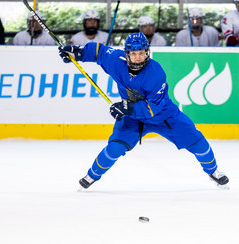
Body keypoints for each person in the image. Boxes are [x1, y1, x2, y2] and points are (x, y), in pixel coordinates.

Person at [57, 32, 229, 189]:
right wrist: (77, 52)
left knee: (199, 143)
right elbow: (99, 52)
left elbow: (153, 107)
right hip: (132, 118)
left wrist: (126, 107)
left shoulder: (155, 73)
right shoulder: (116, 61)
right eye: (133, 53)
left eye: (141, 53)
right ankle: (91, 176)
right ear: (127, 54)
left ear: (147, 52)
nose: (138, 57)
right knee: (114, 148)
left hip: (164, 116)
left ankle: (213, 171)